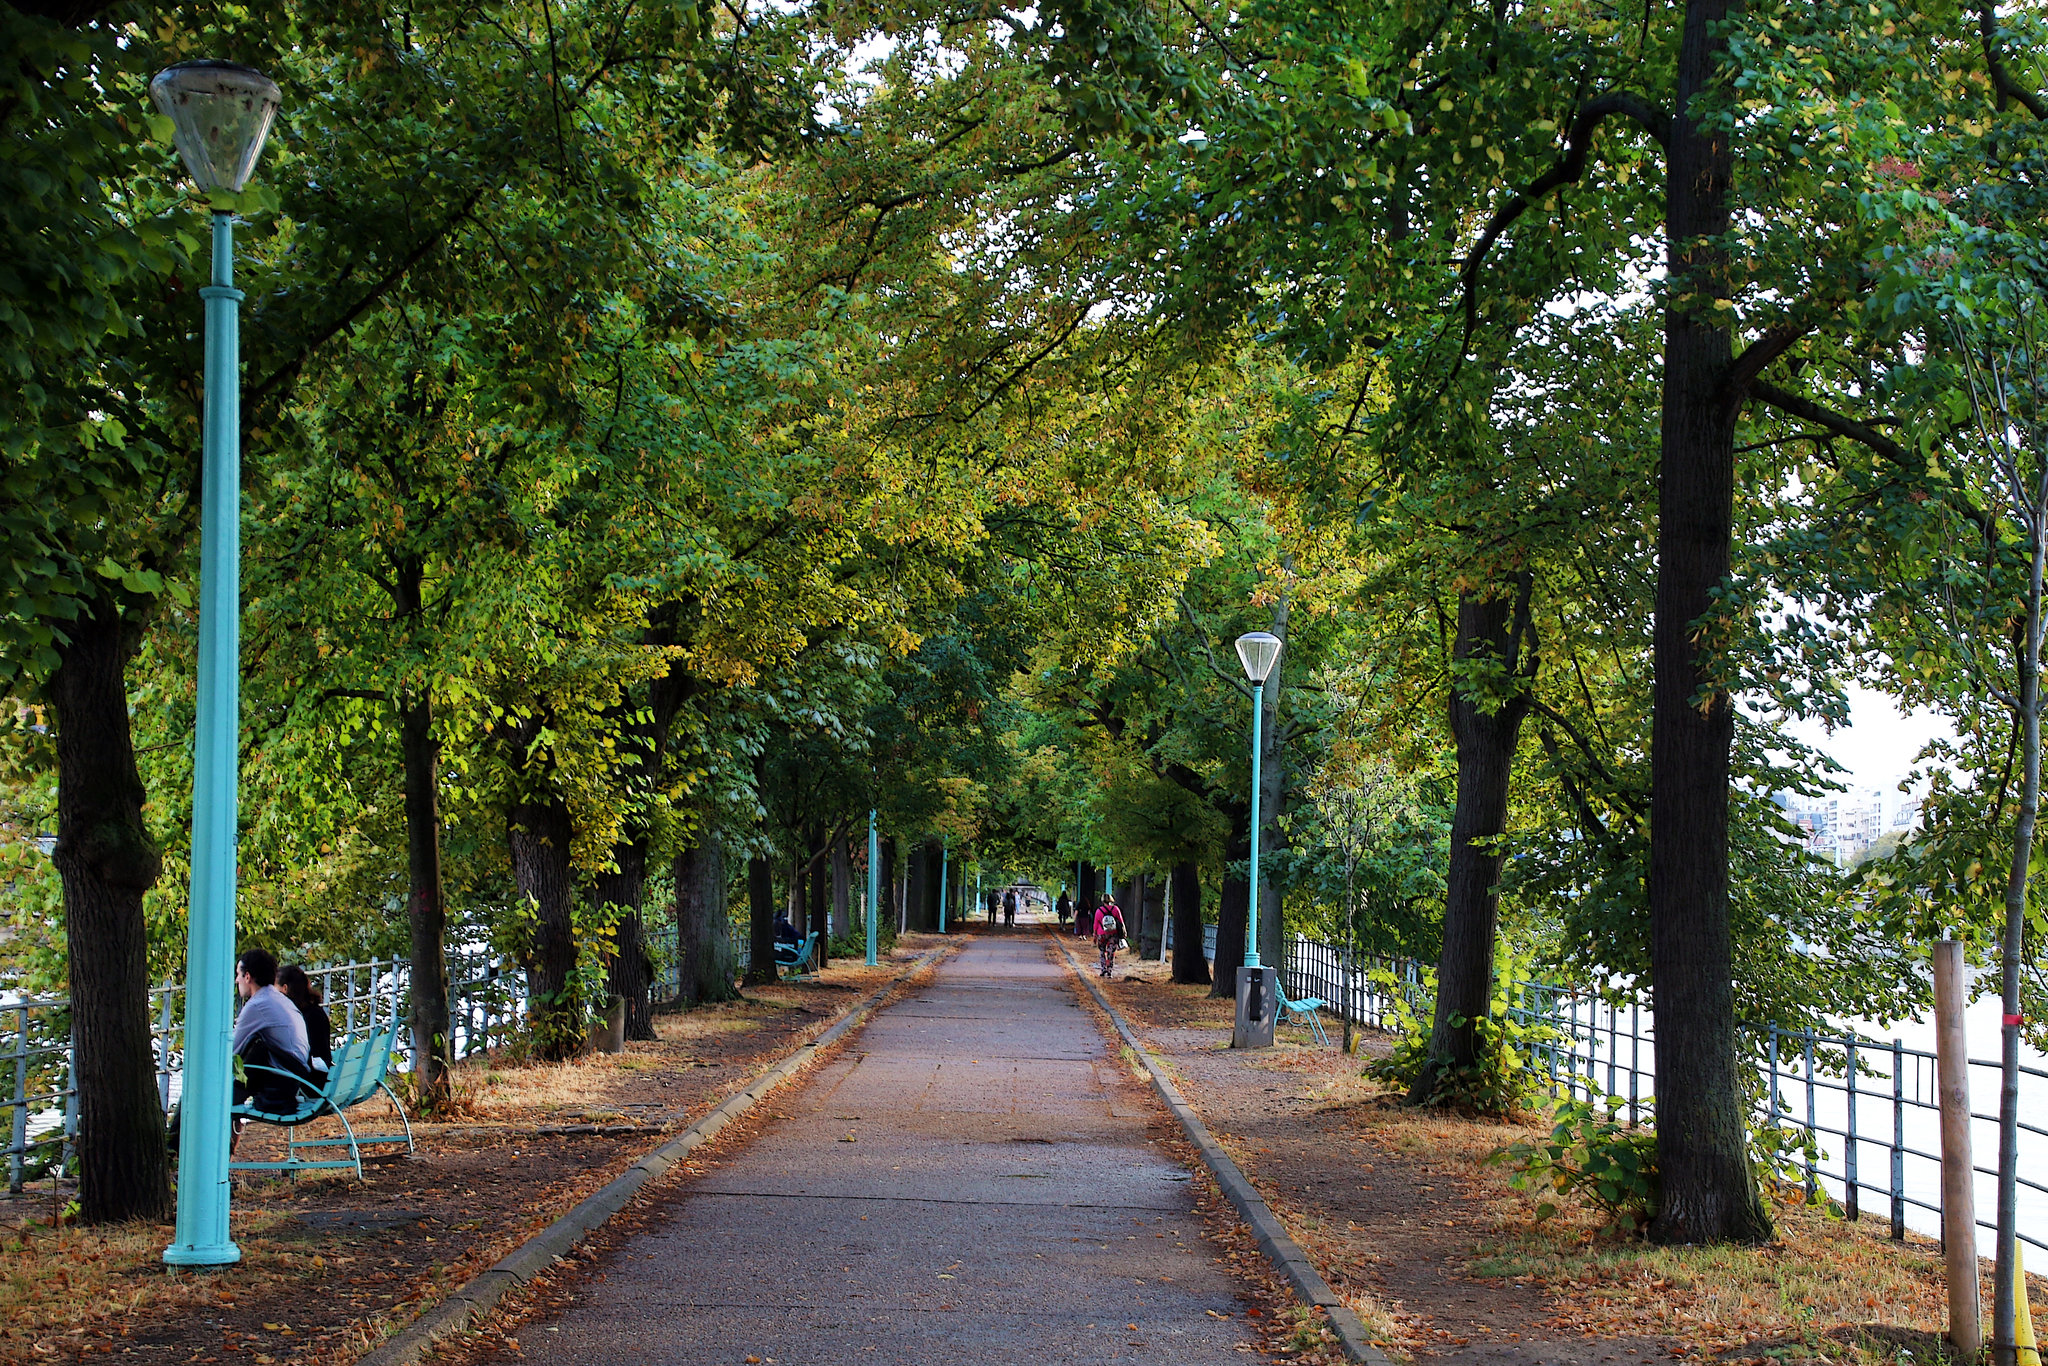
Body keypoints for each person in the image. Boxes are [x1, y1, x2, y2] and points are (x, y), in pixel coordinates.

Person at [231, 948, 313, 1113]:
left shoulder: (257, 1005)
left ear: (247, 977)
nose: (236, 980)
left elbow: (233, 1049)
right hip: (293, 1077)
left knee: (210, 1086)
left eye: (238, 975)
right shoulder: (278, 999)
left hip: (281, 1082)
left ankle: (176, 1136)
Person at [278, 964, 333, 1080]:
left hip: (310, 1081)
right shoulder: (315, 1011)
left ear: (285, 988)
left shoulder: (300, 1017)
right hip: (320, 1076)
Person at [1093, 902, 1126, 977]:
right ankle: (1109, 970)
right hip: (1113, 933)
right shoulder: (1116, 909)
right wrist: (1124, 931)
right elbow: (1121, 921)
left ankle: (1103, 969)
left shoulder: (1098, 910)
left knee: (1102, 950)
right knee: (1111, 952)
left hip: (1102, 933)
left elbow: (1095, 924)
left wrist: (1095, 935)